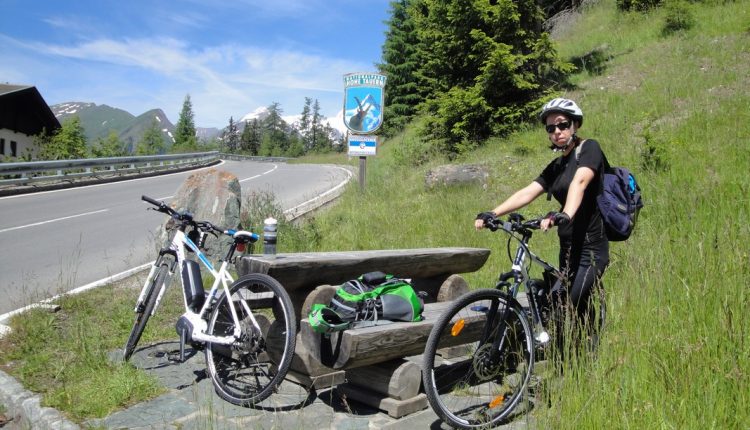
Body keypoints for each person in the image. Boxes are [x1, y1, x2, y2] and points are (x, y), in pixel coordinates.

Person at [475, 97, 609, 352]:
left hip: (591, 246)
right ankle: (566, 349)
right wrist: (493, 212)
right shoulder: (557, 166)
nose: (557, 132)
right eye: (551, 128)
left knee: (575, 299)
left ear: (575, 125)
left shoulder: (590, 148)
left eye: (562, 125)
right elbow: (528, 191)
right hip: (568, 246)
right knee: (559, 301)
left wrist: (566, 213)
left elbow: (580, 182)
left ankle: (590, 350)